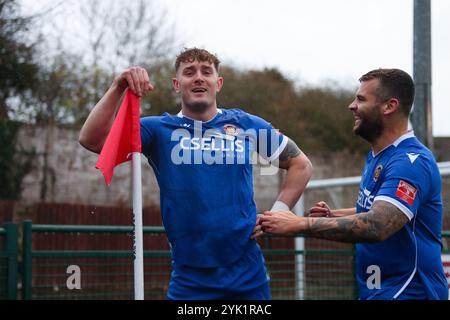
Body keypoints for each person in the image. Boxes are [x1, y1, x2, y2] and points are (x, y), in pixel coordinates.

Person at [79, 48, 313, 299]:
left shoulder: (247, 125)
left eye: (206, 72)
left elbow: (301, 165)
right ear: (177, 85)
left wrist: (277, 212)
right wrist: (118, 87)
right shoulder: (157, 130)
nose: (199, 77)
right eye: (189, 73)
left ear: (218, 83)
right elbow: (93, 140)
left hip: (248, 274)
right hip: (190, 278)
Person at [257, 68, 448, 300]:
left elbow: (378, 224)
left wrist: (299, 224)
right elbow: (378, 209)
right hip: (379, 290)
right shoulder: (379, 154)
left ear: (389, 106)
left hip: (409, 291)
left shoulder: (410, 163)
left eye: (361, 99)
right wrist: (334, 215)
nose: (352, 105)